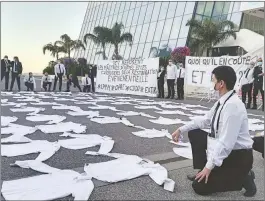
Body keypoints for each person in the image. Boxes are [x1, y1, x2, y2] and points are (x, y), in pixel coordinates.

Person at [172, 65, 256, 197]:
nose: (212, 83)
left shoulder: (233, 106)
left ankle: (245, 177)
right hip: (227, 150)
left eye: (213, 80)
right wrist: (180, 129)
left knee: (199, 187)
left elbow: (226, 143)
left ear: (221, 83)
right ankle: (203, 171)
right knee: (195, 132)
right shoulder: (222, 102)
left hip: (238, 156)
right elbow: (205, 120)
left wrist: (209, 167)